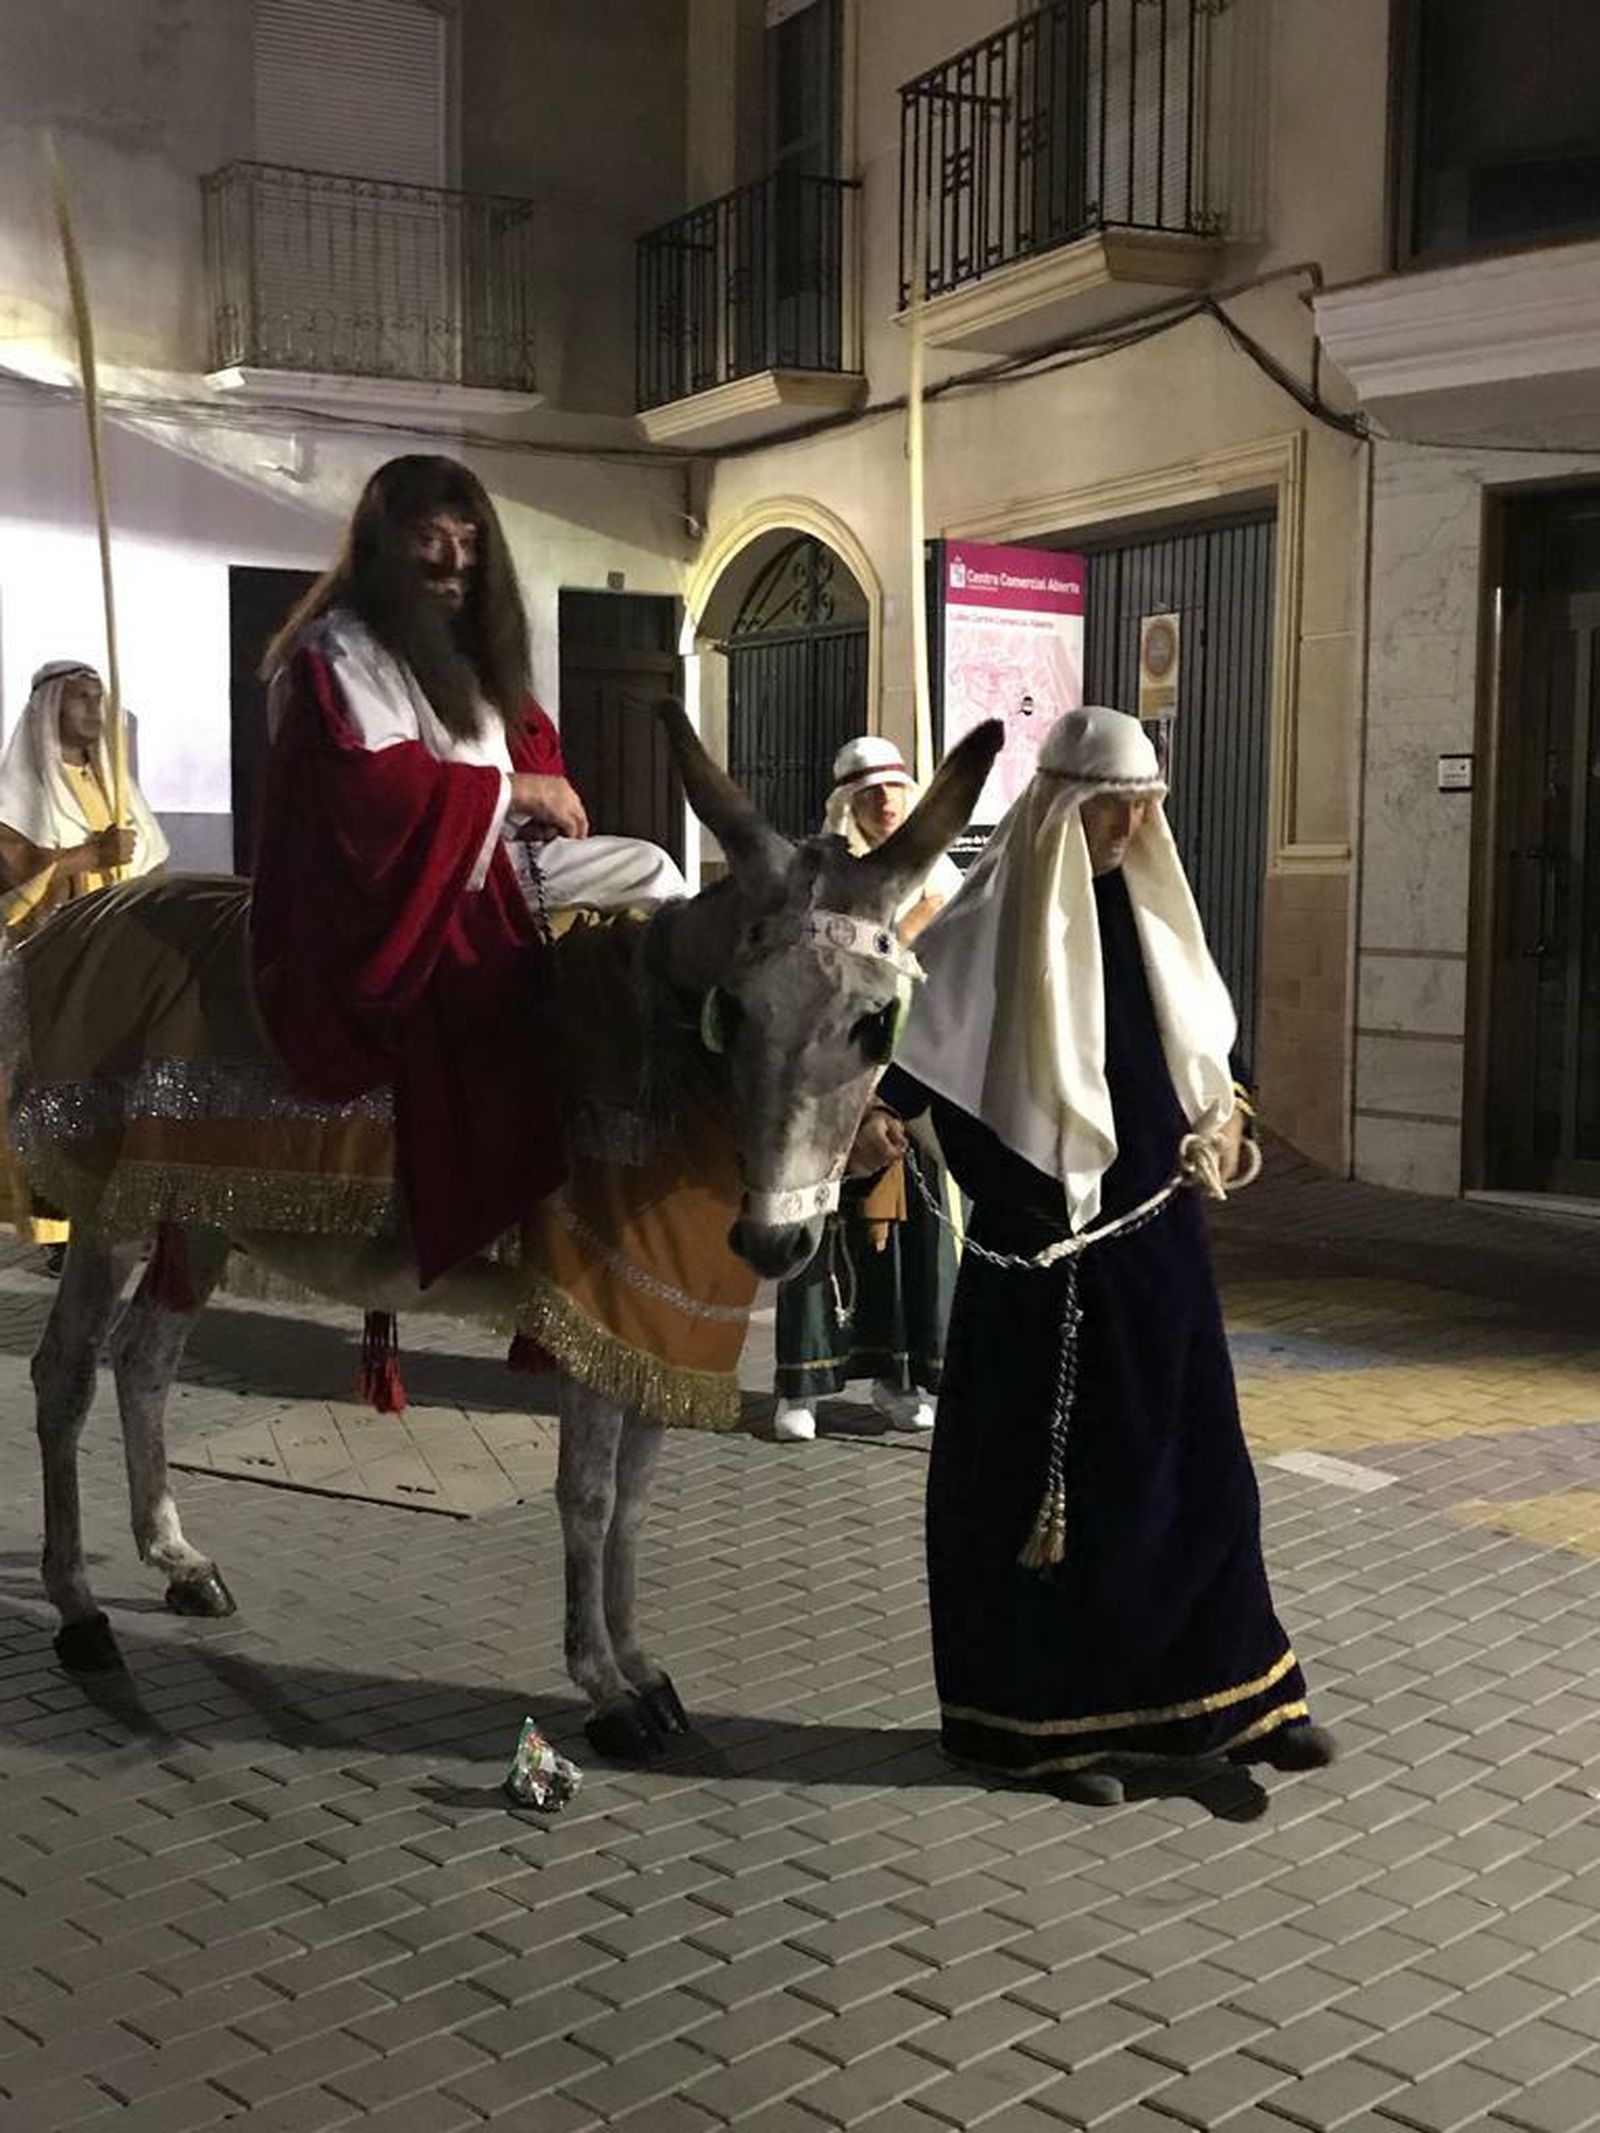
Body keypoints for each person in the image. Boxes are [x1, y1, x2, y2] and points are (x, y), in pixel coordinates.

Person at [867, 706, 1333, 1809]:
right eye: (1111, 807)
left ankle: (1234, 1701)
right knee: (1046, 1505)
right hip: (1041, 1274)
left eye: (1143, 807)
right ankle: (1034, 1730)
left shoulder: (1156, 917)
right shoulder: (980, 929)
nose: (1129, 827)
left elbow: (1210, 1062)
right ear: (1060, 808)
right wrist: (876, 1122)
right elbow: (906, 1065)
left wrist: (1226, 1125)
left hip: (1161, 1256)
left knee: (1197, 1475)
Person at [251, 453, 685, 1287]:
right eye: (430, 537)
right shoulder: (342, 649)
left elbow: (508, 753)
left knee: (641, 879)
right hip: (395, 898)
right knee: (653, 871)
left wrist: (528, 794)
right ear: (386, 544)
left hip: (474, 864)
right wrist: (515, 793)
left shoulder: (452, 653)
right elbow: (369, 792)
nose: (453, 561)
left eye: (468, 539)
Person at [771, 736, 961, 1443]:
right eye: (870, 791)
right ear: (845, 802)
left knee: (915, 1238)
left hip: (918, 1078)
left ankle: (900, 1380)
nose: (886, 802)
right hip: (836, 1077)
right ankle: (801, 1387)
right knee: (813, 1229)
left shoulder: (943, 874)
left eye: (896, 788)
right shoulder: (821, 877)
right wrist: (907, 927)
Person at [0, 660, 169, 1264]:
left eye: (99, 698)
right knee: (57, 1097)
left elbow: (146, 861)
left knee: (119, 1096)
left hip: (116, 966)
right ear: (50, 708)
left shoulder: (114, 785)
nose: (95, 710)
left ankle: (121, 1218)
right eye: (81, 698)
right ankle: (59, 1235)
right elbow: (11, 890)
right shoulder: (20, 797)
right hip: (58, 970)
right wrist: (84, 857)